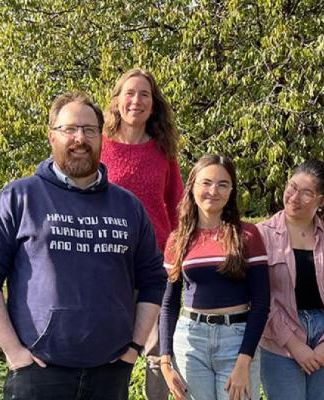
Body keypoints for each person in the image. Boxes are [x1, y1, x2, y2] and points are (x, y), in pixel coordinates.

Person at [0, 92, 167, 400]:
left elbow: (154, 280)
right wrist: (13, 351)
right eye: (69, 129)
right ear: (51, 136)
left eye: (89, 130)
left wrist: (134, 348)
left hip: (109, 374)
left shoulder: (129, 207)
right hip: (36, 373)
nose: (80, 138)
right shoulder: (20, 198)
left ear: (101, 138)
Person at [158, 155, 270, 400]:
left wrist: (244, 362)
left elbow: (261, 303)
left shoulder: (247, 235)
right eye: (206, 182)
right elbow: (168, 304)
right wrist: (165, 361)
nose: (213, 190)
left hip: (237, 340)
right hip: (191, 341)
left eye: (222, 184)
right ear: (193, 187)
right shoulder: (178, 240)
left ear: (231, 191)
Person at [102, 68, 184, 400]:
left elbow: (178, 206)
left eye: (144, 95)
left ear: (153, 105)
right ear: (117, 100)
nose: (136, 101)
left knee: (158, 354)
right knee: (109, 351)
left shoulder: (163, 152)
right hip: (106, 266)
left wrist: (179, 253)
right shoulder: (98, 147)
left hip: (155, 265)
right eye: (130, 93)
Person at [256, 160, 324, 400]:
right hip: (279, 339)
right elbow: (259, 295)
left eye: (306, 193)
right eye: (292, 187)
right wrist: (293, 344)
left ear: (322, 200)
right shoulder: (261, 236)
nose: (294, 197)